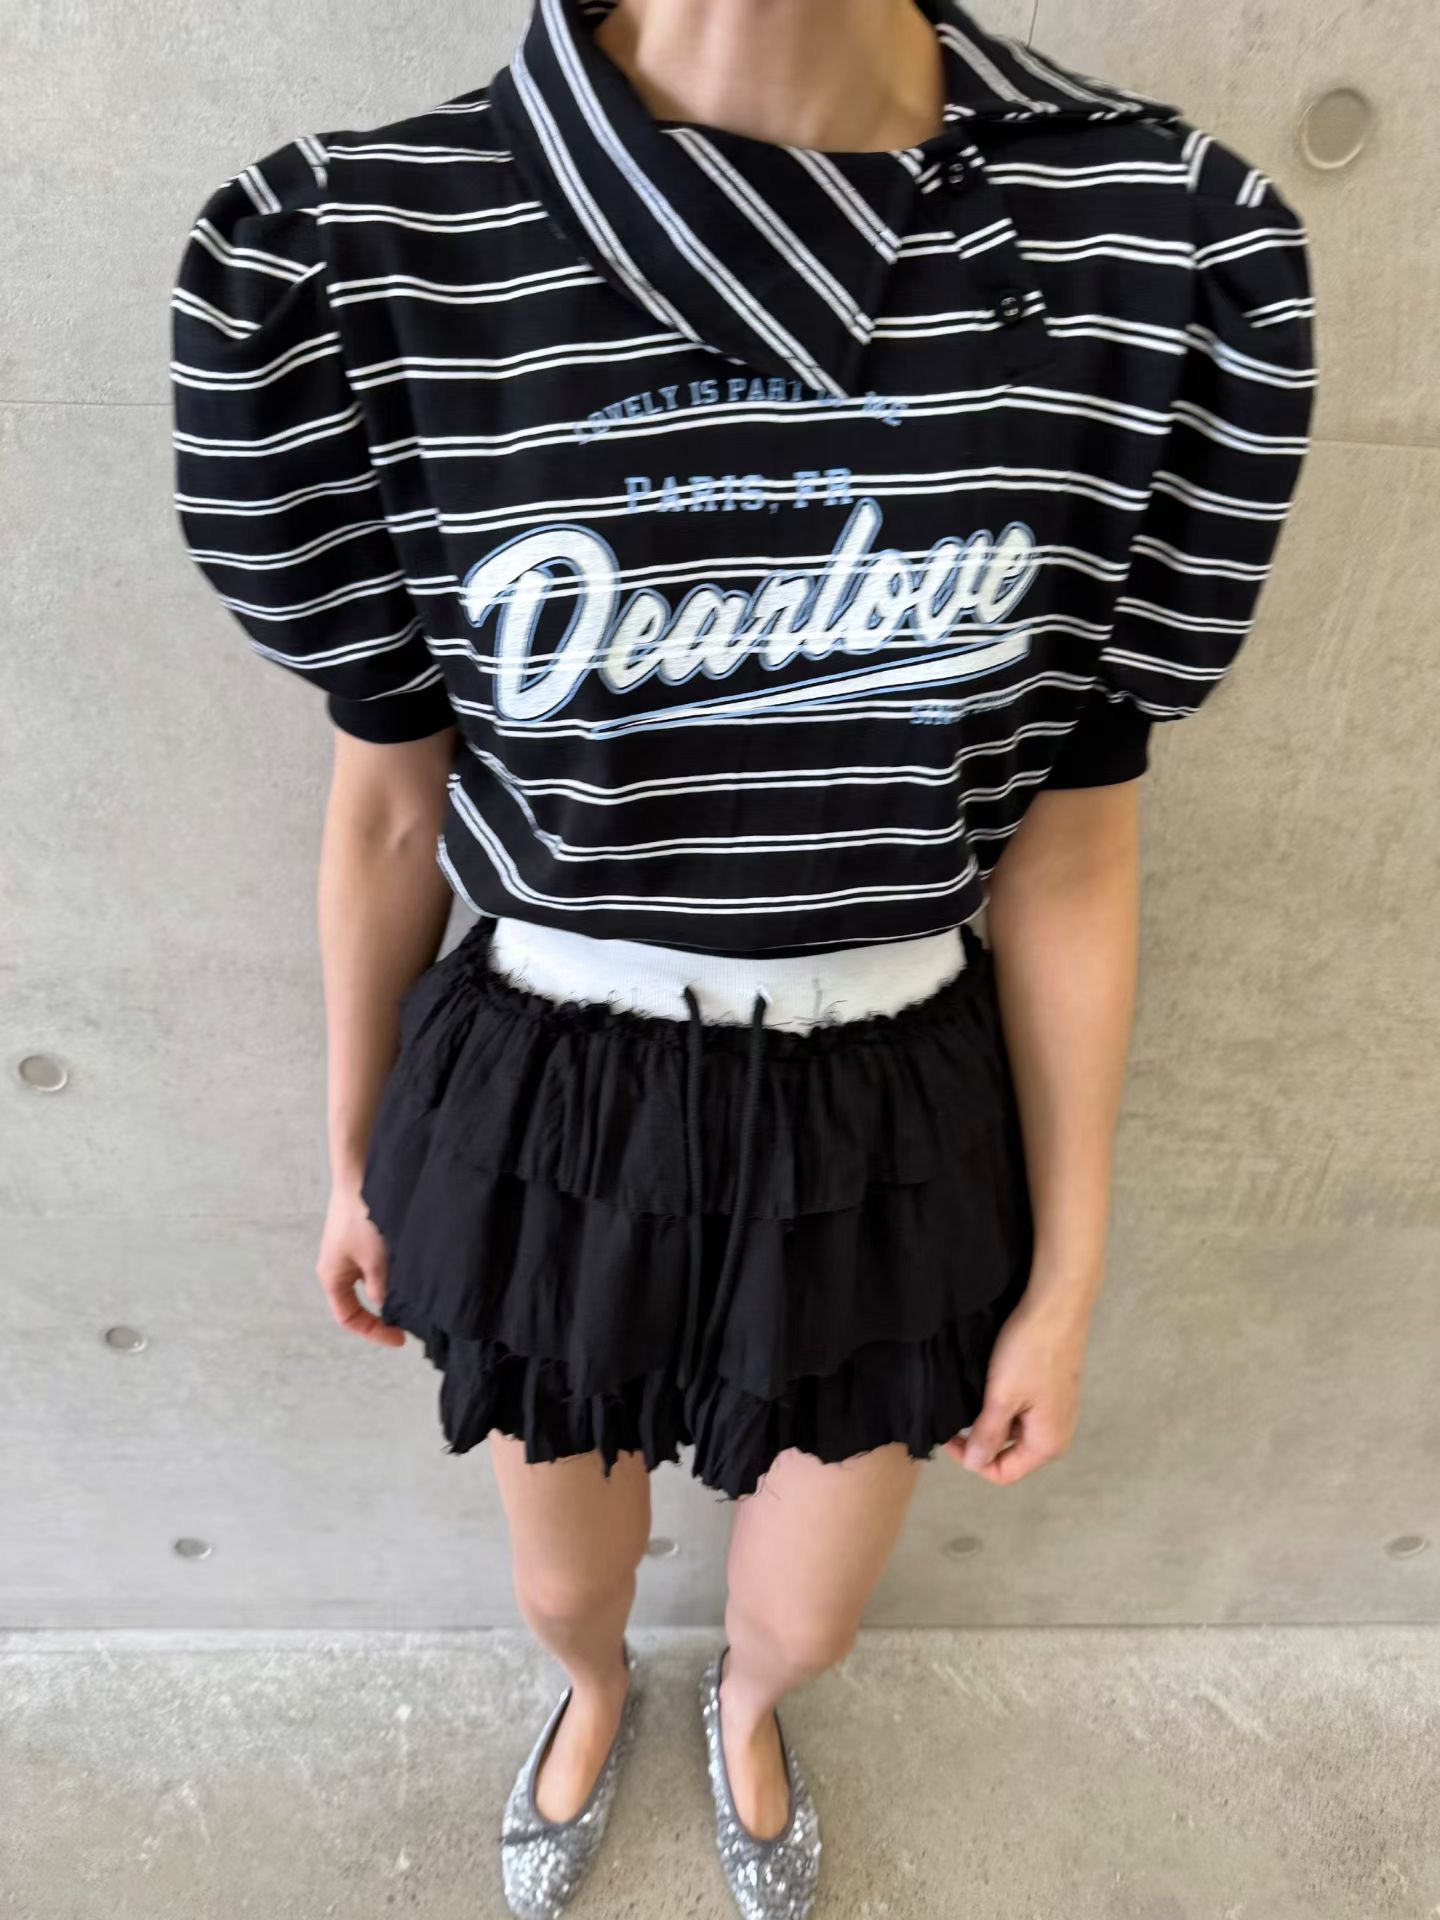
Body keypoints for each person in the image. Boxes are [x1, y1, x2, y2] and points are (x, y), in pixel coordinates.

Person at [168, 0, 1317, 1912]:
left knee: (811, 1612)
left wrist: (1070, 1274)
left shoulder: (1150, 252)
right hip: (549, 1075)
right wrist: (352, 1151)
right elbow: (386, 803)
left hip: (891, 1086)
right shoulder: (365, 255)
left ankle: (751, 1709)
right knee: (562, 1577)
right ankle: (591, 1692)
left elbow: (1077, 835)